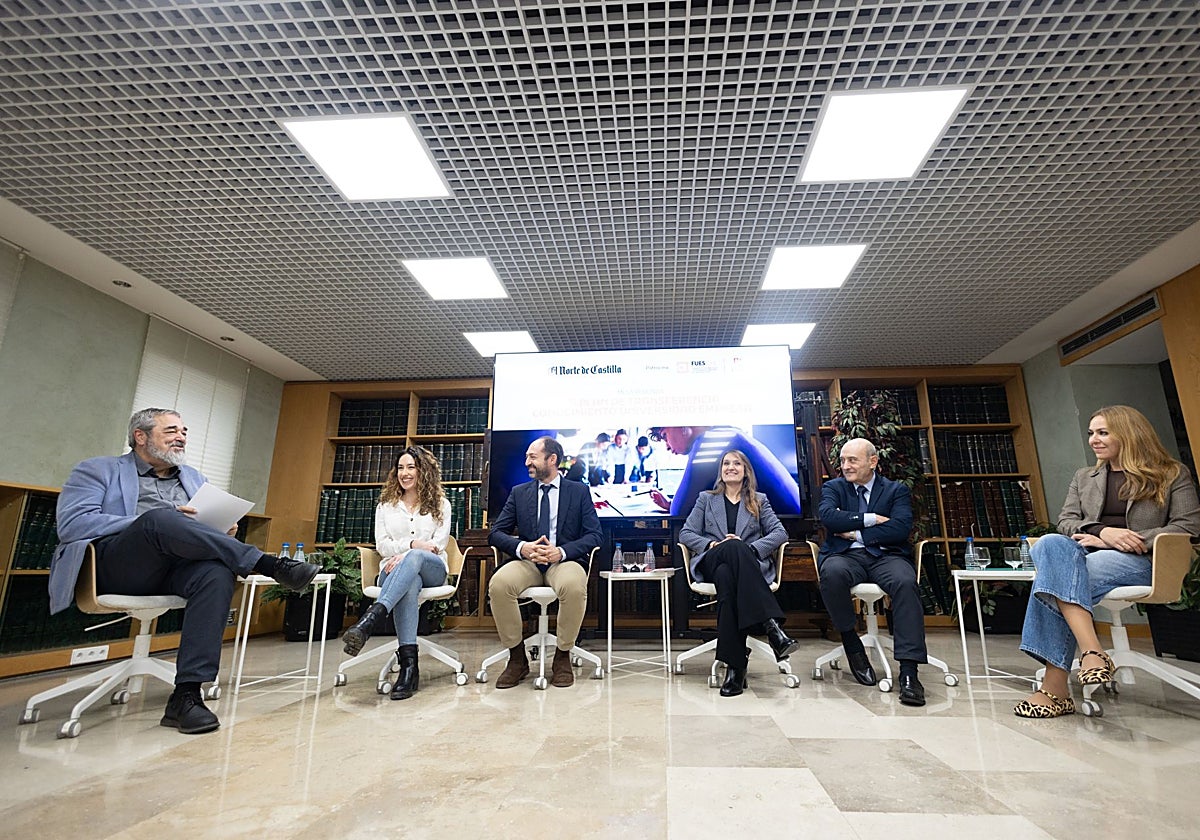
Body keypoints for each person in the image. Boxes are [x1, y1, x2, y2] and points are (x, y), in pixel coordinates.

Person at [50, 408, 321, 734]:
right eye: (171, 431)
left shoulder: (194, 477)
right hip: (117, 567)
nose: (181, 437)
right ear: (140, 436)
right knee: (159, 519)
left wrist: (221, 531)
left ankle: (187, 695)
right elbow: (73, 525)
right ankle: (269, 565)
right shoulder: (96, 470)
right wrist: (151, 521)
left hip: (173, 571)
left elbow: (195, 529)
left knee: (216, 573)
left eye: (184, 431)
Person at [1014, 405, 1200, 718]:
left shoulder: (1171, 473)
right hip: (1088, 552)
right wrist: (1102, 532)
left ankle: (1055, 688)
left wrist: (1124, 539)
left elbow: (1188, 526)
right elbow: (1066, 522)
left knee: (1056, 580)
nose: (1093, 440)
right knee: (1049, 543)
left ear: (1129, 434)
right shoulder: (1085, 477)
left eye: (1103, 432)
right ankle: (1093, 651)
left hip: (1143, 560)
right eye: (1091, 433)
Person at [818, 438, 928, 706]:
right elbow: (829, 518)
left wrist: (855, 532)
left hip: (886, 556)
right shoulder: (833, 487)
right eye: (843, 461)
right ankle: (851, 643)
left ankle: (909, 672)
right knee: (831, 573)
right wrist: (872, 519)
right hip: (846, 556)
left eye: (852, 460)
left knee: (905, 582)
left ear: (873, 461)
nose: (845, 466)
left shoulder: (895, 491)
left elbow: (900, 528)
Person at [679, 449, 797, 696]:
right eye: (726, 463)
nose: (730, 467)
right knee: (731, 548)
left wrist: (750, 549)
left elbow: (780, 533)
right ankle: (772, 626)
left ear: (746, 471)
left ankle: (736, 668)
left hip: (741, 568)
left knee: (727, 578)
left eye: (736, 464)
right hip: (712, 560)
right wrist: (713, 544)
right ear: (720, 470)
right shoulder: (706, 499)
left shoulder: (759, 500)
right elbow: (686, 533)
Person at [488, 436, 603, 688]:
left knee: (573, 586)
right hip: (528, 562)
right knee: (499, 584)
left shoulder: (578, 491)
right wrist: (523, 547)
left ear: (552, 459)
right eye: (527, 457)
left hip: (563, 561)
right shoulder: (519, 493)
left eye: (533, 457)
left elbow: (595, 535)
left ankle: (562, 655)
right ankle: (517, 658)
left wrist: (561, 552)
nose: (527, 462)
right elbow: (495, 533)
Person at [341, 446, 451, 700]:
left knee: (414, 559)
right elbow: (382, 545)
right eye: (400, 468)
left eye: (411, 467)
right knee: (410, 583)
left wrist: (408, 552)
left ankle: (373, 616)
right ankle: (409, 668)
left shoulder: (441, 504)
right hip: (392, 571)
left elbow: (437, 545)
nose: (405, 473)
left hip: (433, 568)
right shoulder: (385, 506)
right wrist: (410, 546)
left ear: (423, 471)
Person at [652, 425, 801, 516]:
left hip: (784, 532)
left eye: (665, 436)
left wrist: (673, 506)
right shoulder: (727, 433)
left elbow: (679, 512)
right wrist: (670, 504)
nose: (667, 446)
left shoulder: (714, 441)